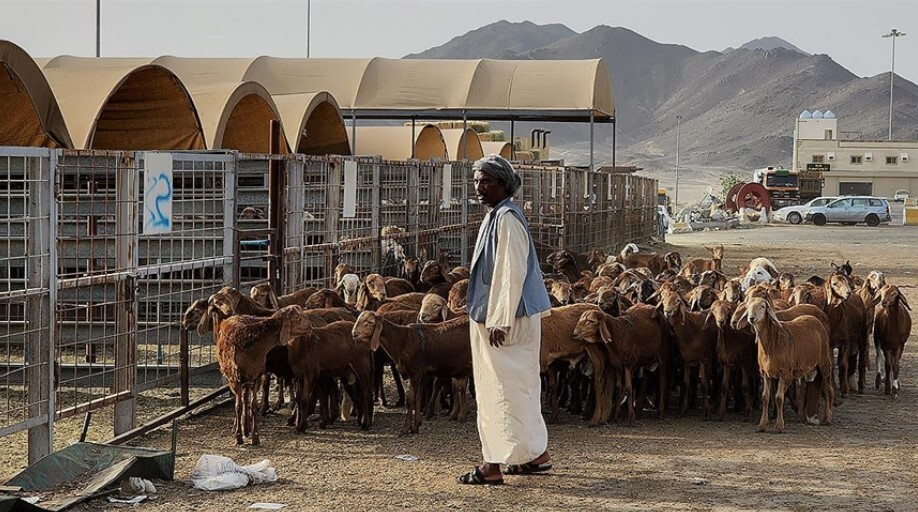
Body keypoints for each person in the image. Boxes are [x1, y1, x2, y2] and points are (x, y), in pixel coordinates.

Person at [457, 155, 553, 486]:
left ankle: (492, 464)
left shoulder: (507, 218)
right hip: (508, 316)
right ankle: (534, 455)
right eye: (476, 181)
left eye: (486, 181)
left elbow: (511, 270)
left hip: (507, 320)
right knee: (520, 388)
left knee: (498, 389)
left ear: (503, 184)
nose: (479, 187)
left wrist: (501, 318)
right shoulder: (498, 216)